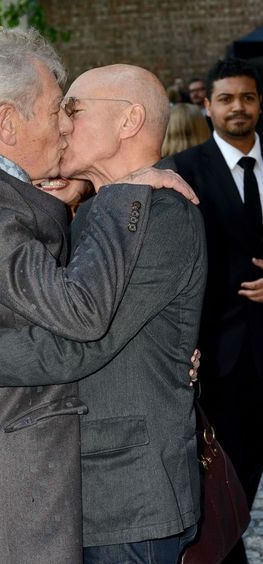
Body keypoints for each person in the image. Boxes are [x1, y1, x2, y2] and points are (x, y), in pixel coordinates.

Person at [0, 29, 197, 564]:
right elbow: (53, 314)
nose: (65, 123)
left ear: (128, 122)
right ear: (8, 121)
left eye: (74, 109)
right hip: (17, 485)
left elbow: (68, 335)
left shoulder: (148, 212)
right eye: (59, 109)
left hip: (103, 491)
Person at [174, 57, 263, 564]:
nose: (238, 108)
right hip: (221, 360)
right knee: (227, 482)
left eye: (247, 97)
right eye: (226, 99)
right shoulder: (186, 172)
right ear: (206, 106)